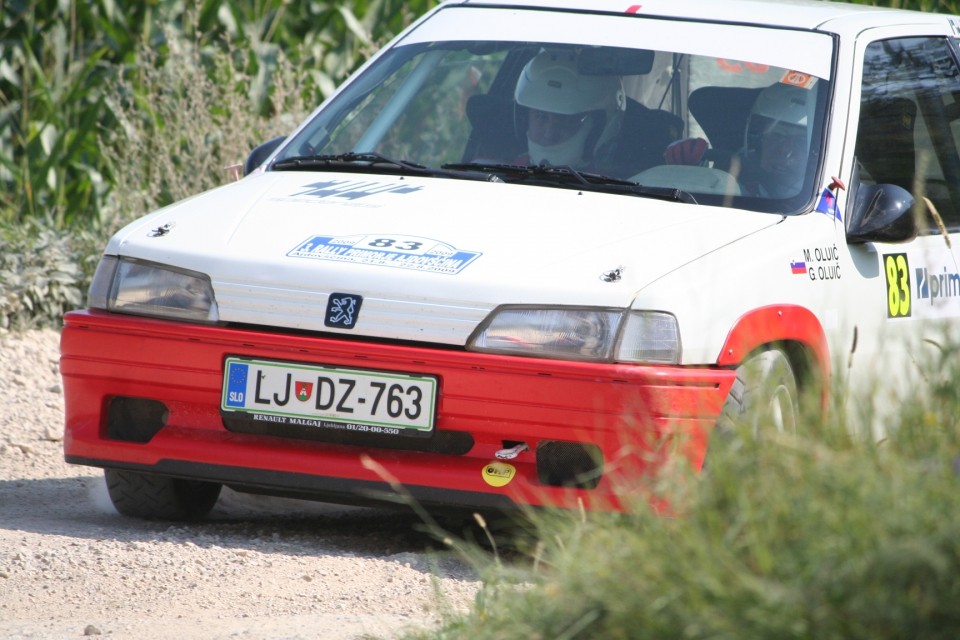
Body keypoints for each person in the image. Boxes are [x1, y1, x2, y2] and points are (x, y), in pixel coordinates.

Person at [663, 81, 813, 197]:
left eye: (800, 140)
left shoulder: (824, 194)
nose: (784, 150)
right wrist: (687, 166)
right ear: (757, 138)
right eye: (777, 135)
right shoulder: (732, 170)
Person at [513, 49, 626, 170]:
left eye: (566, 120)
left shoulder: (610, 187)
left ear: (597, 129)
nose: (549, 134)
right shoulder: (508, 173)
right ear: (524, 120)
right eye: (541, 116)